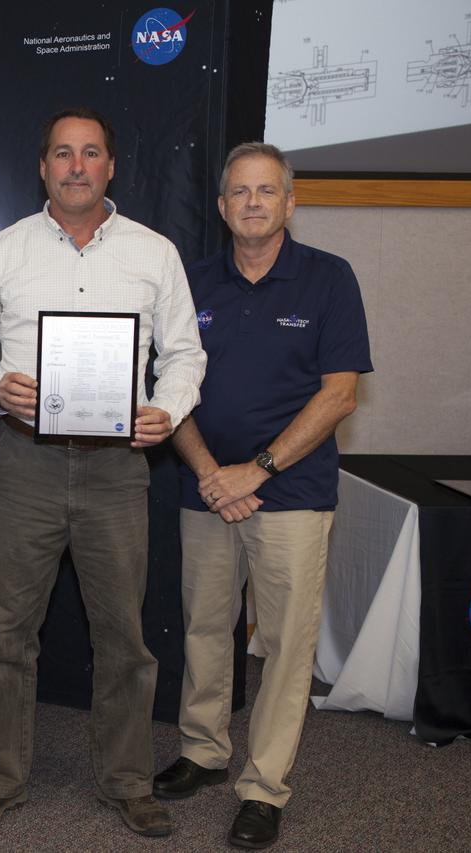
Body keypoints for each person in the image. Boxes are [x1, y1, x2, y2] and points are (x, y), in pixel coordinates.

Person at [0, 106, 206, 839]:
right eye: (62, 153)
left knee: (124, 635)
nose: (76, 166)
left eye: (90, 153)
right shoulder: (3, 252)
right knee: (8, 633)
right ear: (43, 167)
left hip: (119, 467)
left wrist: (166, 409)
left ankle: (128, 781)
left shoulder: (155, 253)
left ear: (111, 166)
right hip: (25, 463)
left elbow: (185, 353)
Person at [153, 142, 371, 849]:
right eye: (240, 192)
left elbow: (340, 394)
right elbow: (170, 388)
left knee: (284, 645)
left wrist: (258, 470)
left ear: (289, 203)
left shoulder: (329, 278)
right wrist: (213, 473)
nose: (253, 202)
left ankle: (264, 786)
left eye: (266, 190)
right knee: (204, 627)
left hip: (293, 492)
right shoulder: (191, 282)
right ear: (222, 207)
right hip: (205, 487)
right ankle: (204, 749)